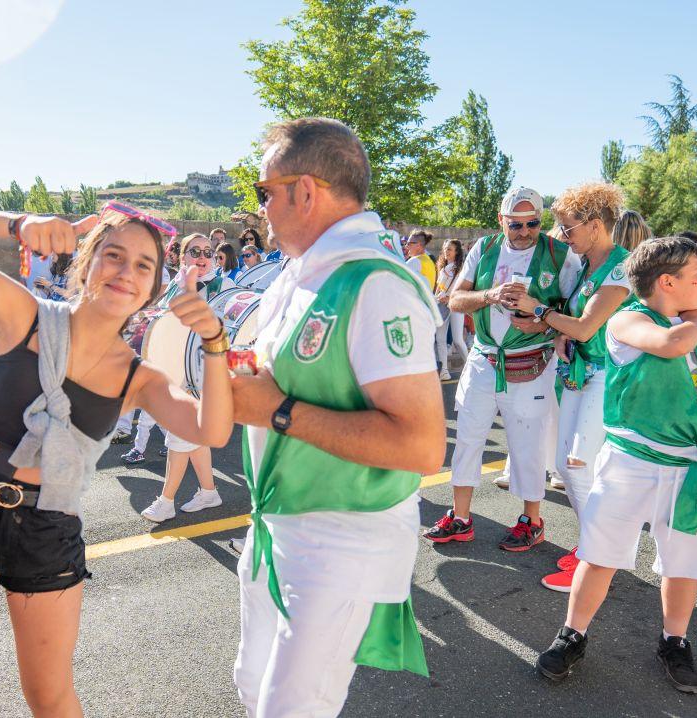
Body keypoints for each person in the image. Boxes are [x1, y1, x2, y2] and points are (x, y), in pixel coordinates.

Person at [0, 201, 231, 718]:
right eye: (113, 255)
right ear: (86, 260)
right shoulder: (25, 315)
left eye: (143, 265)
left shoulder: (139, 378)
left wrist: (214, 340)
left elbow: (212, 429)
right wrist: (19, 225)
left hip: (47, 530)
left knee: (52, 699)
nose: (126, 272)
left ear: (153, 288)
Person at [228, 117, 444, 716]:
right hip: (277, 522)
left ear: (305, 191)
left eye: (265, 191)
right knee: (250, 685)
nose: (261, 209)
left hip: (340, 538)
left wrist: (277, 410)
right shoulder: (299, 274)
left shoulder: (375, 283)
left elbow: (422, 446)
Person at [536, 235, 697, 694]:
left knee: (684, 561)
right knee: (600, 554)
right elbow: (672, 344)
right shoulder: (629, 319)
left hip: (690, 464)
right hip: (631, 461)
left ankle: (674, 640)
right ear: (666, 282)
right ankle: (573, 633)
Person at [424, 186, 582, 551]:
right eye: (516, 224)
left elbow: (575, 314)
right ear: (501, 221)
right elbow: (456, 299)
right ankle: (460, 517)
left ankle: (532, 521)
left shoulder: (560, 255)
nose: (525, 232)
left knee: (528, 444)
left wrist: (542, 322)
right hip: (483, 358)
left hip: (532, 362)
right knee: (468, 438)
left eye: (532, 224)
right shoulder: (484, 248)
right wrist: (490, 295)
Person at [510, 183, 633, 592]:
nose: (563, 236)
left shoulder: (619, 268)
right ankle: (593, 549)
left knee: (579, 466)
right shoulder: (585, 266)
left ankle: (595, 557)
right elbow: (572, 323)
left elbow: (585, 326)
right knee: (566, 466)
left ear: (595, 225)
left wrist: (538, 310)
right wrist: (556, 330)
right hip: (578, 375)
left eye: (568, 228)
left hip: (606, 375)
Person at [140, 232, 235, 522]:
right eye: (195, 252)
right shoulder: (175, 286)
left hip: (203, 375)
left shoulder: (224, 287)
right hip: (177, 372)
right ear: (182, 258)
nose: (203, 257)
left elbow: (233, 331)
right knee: (193, 436)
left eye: (208, 252)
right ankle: (209, 492)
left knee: (180, 434)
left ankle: (166, 501)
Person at [434, 238, 469, 380]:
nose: (446, 251)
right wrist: (437, 298)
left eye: (449, 249)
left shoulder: (461, 269)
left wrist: (448, 298)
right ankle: (444, 371)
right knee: (440, 339)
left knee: (458, 340)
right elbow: (439, 288)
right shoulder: (443, 268)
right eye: (445, 248)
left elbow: (462, 289)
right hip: (442, 305)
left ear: (456, 252)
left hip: (455, 305)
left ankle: (471, 367)